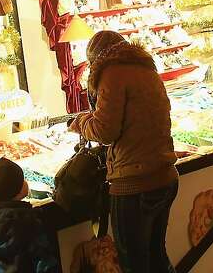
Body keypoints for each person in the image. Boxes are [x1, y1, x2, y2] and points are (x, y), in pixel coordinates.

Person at [71, 31, 178, 273]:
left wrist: (81, 123)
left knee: (134, 264)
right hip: (164, 175)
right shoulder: (146, 69)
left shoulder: (111, 74)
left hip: (134, 184)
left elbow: (104, 130)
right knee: (156, 256)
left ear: (96, 59)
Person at [0, 157, 60, 273]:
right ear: (17, 190)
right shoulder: (28, 222)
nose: (26, 182)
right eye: (23, 180)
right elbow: (45, 262)